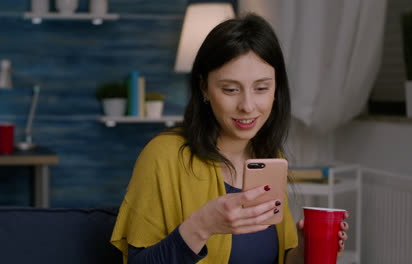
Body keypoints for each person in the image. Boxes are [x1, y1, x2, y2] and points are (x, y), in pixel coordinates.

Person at [110, 13, 349, 264]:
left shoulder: (268, 157)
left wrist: (304, 249)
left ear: (276, 89)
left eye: (261, 88)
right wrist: (202, 225)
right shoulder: (164, 155)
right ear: (204, 88)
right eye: (230, 90)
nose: (247, 106)